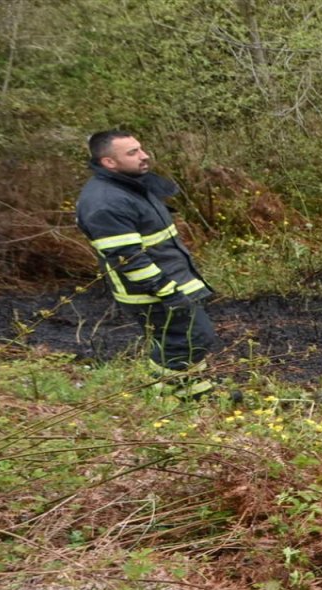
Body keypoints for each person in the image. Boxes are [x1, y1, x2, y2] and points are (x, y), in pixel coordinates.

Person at [75, 130, 218, 399]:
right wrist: (167, 291)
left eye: (140, 149)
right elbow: (128, 257)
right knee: (187, 339)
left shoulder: (130, 185)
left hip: (171, 281)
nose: (144, 156)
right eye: (132, 153)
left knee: (187, 340)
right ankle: (169, 397)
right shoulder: (105, 202)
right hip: (151, 291)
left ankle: (195, 394)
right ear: (109, 162)